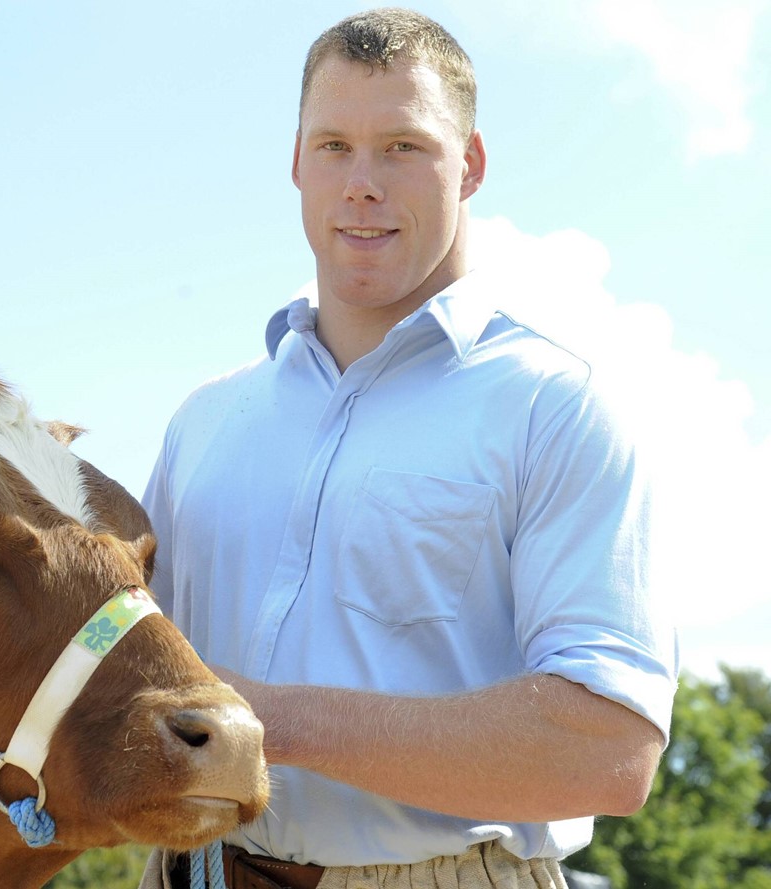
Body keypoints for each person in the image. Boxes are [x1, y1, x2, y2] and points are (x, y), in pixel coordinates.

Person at [138, 8, 678, 889]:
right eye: (334, 146)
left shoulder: (554, 407)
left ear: (468, 167)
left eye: (403, 147)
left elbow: (610, 751)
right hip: (189, 874)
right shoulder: (204, 418)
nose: (361, 184)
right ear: (295, 162)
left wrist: (270, 719)